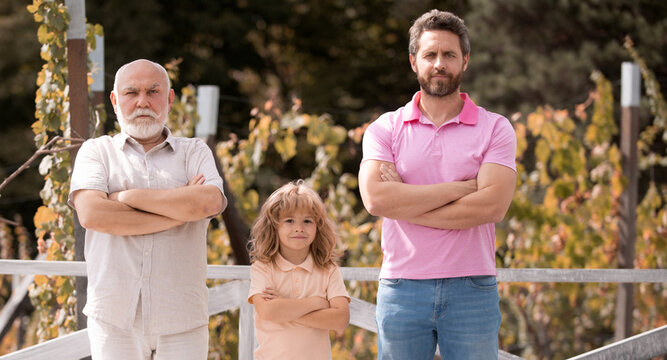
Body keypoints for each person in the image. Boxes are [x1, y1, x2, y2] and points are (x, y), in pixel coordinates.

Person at [358, 9, 518, 360]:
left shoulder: (496, 128)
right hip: (402, 288)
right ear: (414, 61)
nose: (439, 64)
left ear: (465, 61)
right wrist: (463, 189)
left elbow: (493, 207)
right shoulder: (386, 129)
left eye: (449, 54)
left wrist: (407, 203)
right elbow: (376, 199)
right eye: (430, 55)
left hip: (472, 288)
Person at [69, 59, 226, 359]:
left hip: (182, 316)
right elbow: (92, 214)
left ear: (169, 99)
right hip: (115, 316)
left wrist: (125, 197)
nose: (142, 101)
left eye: (153, 91)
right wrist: (180, 206)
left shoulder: (195, 151)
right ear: (115, 101)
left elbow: (208, 202)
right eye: (131, 93)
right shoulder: (96, 151)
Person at [248, 180, 350, 360]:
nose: (299, 228)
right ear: (274, 226)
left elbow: (340, 319)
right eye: (289, 220)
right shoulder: (263, 268)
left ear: (318, 226)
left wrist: (285, 311)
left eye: (307, 221)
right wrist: (317, 303)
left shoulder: (328, 270)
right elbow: (268, 311)